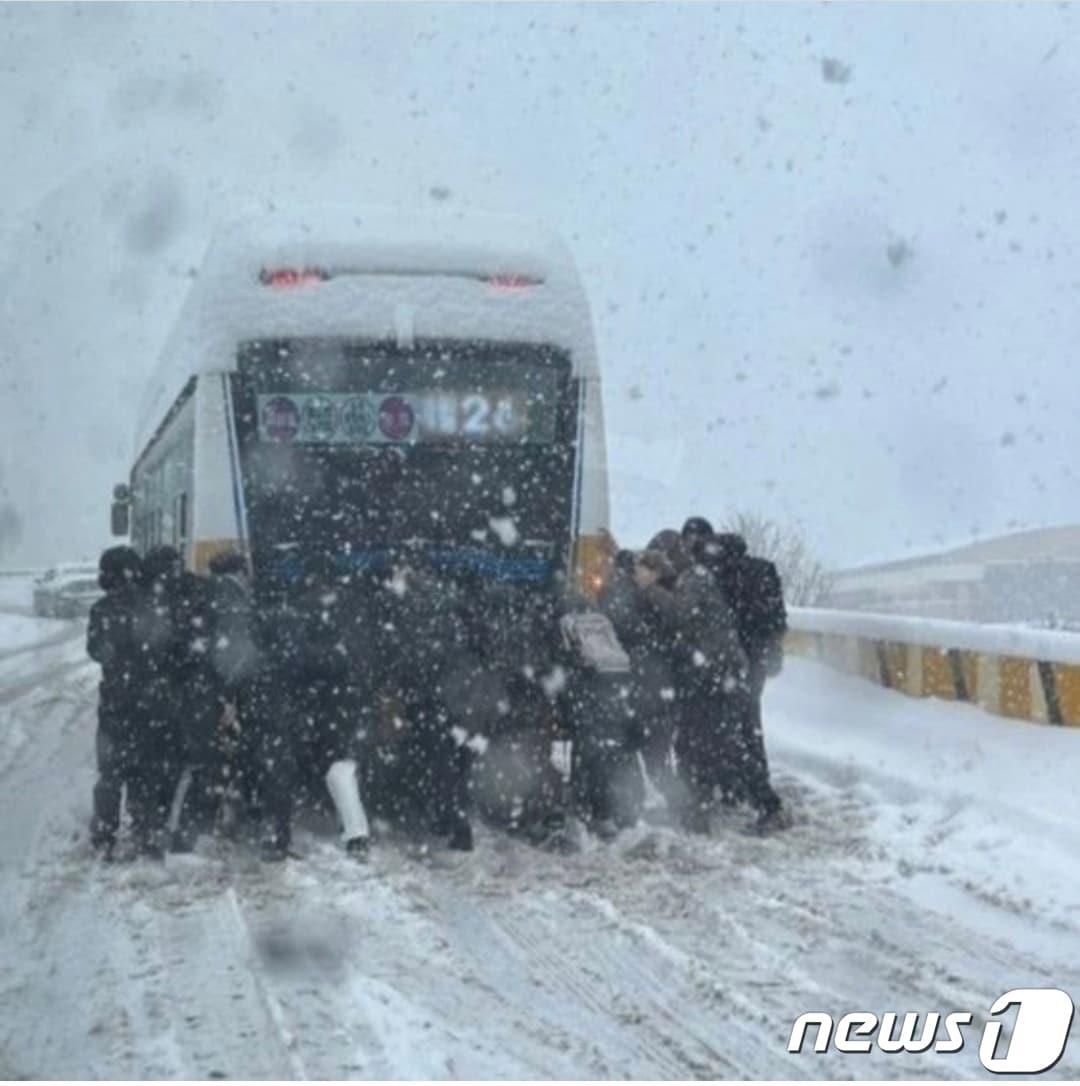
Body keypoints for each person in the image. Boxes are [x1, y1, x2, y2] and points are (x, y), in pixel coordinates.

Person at [257, 554, 371, 861]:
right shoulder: (353, 607)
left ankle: (293, 828)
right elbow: (358, 651)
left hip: (321, 698)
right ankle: (355, 833)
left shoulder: (301, 609)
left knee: (317, 763)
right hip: (346, 696)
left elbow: (302, 657)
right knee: (341, 765)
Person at [641, 525, 749, 833]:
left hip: (715, 672)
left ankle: (699, 810)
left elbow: (681, 613)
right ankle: (704, 803)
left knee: (697, 742)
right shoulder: (693, 578)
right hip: (713, 670)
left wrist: (650, 590)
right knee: (701, 740)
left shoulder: (695, 580)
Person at [691, 529, 787, 830]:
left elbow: (719, 622)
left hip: (734, 663)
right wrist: (770, 649)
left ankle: (764, 801)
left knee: (734, 731)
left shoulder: (721, 577)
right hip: (757, 661)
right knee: (748, 725)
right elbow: (779, 619)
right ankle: (746, 792)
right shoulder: (765, 570)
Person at [87, 545, 145, 858]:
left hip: (113, 700)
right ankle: (140, 827)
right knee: (140, 770)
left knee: (110, 772)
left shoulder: (101, 610)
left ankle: (105, 834)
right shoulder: (149, 606)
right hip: (146, 702)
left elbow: (94, 650)